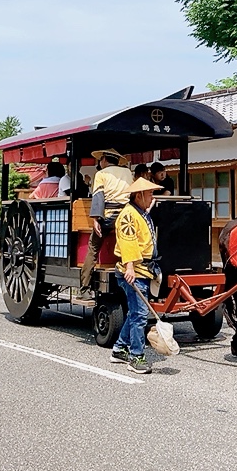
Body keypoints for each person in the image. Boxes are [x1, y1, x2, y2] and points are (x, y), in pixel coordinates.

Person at [109, 177, 163, 374]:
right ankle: (136, 356)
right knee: (140, 315)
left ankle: (119, 349)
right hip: (133, 271)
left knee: (135, 313)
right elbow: (127, 242)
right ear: (139, 195)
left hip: (143, 269)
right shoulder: (128, 216)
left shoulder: (139, 213)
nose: (152, 197)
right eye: (149, 194)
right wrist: (129, 267)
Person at [82, 149, 134, 296]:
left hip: (109, 217)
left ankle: (84, 288)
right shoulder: (128, 173)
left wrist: (95, 219)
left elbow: (98, 197)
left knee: (93, 248)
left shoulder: (101, 174)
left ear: (104, 159)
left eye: (100, 160)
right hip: (125, 216)